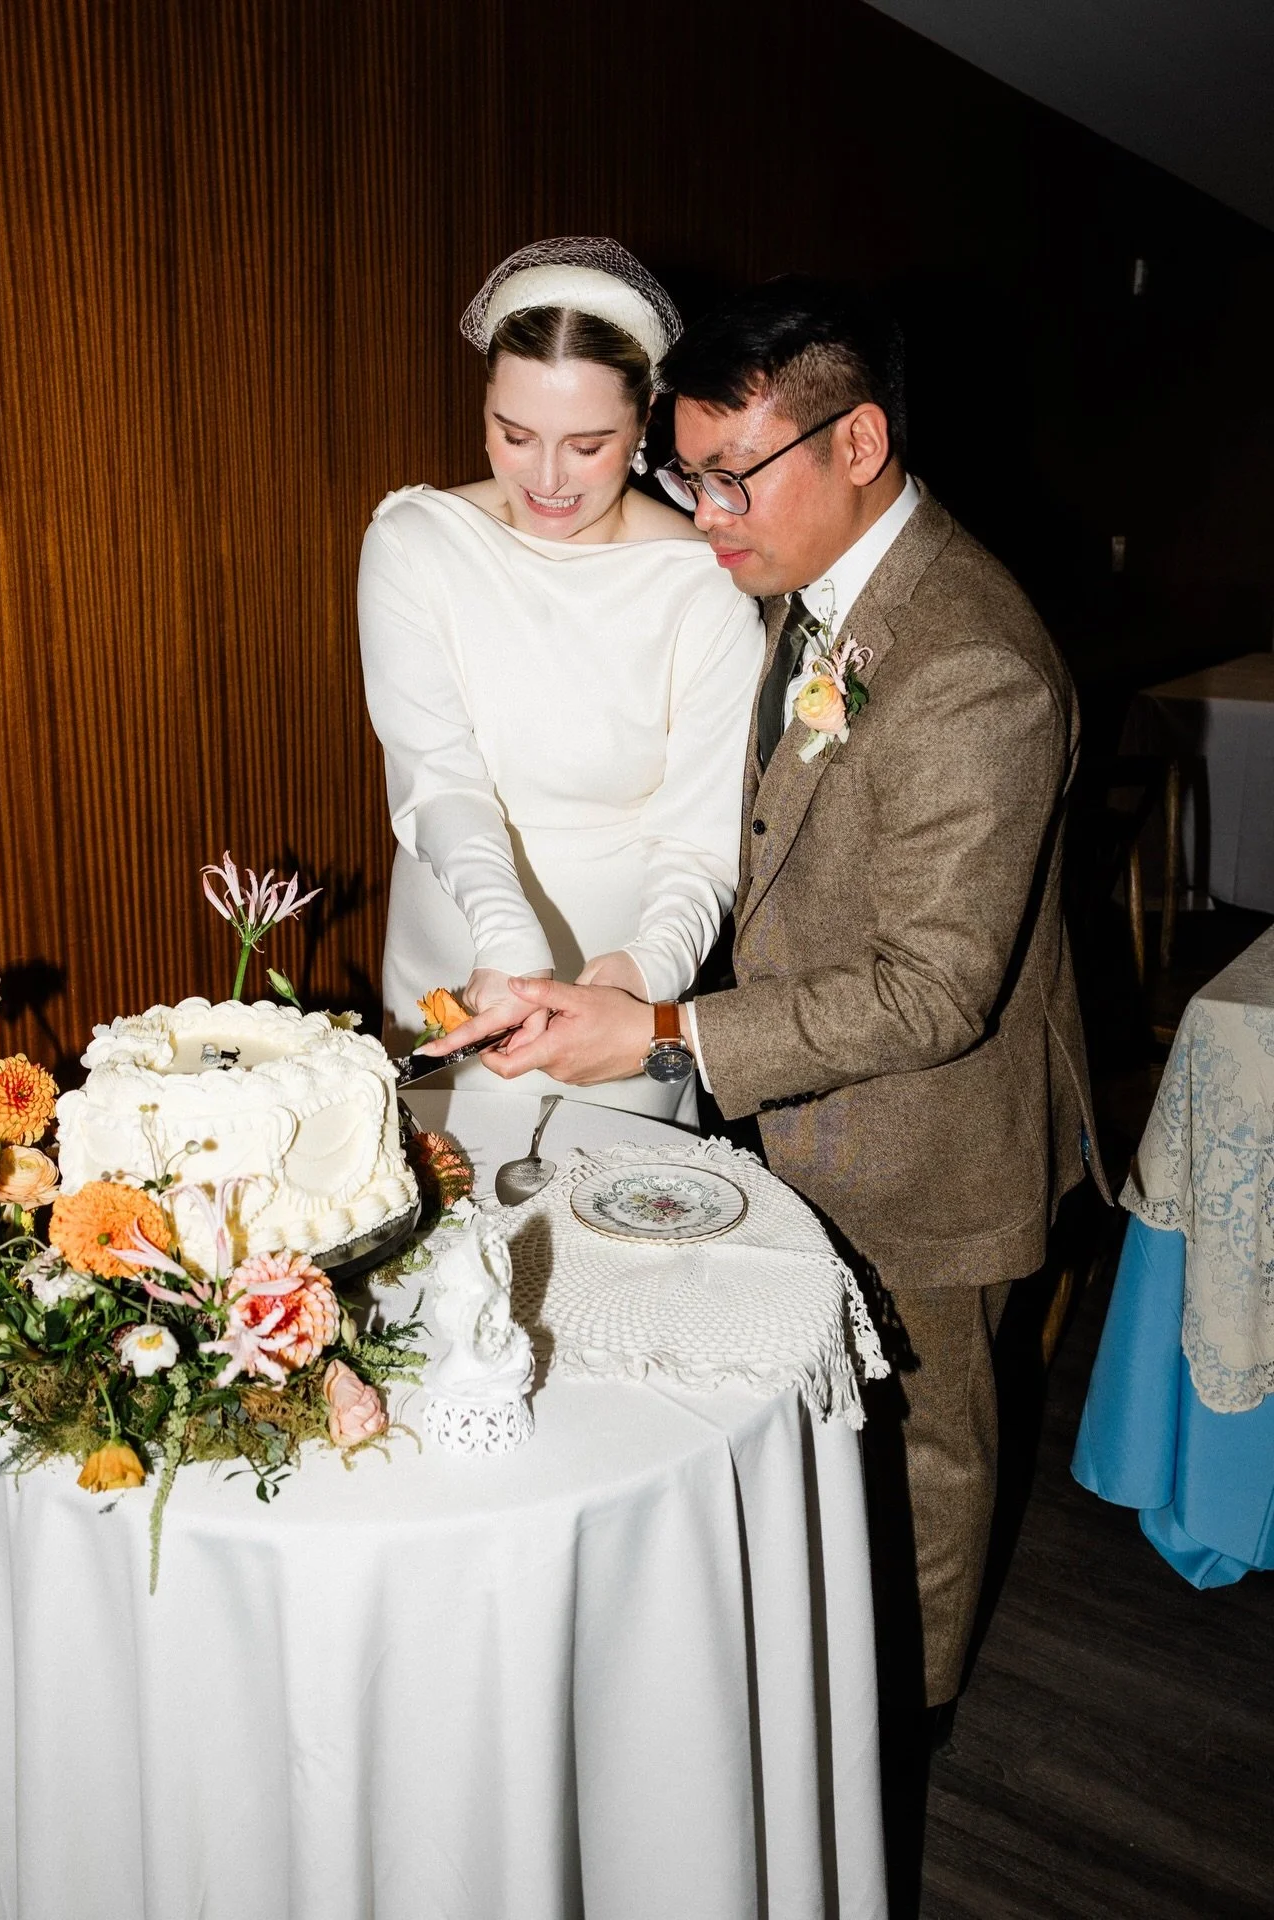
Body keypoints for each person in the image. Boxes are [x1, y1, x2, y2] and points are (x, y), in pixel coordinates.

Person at [429, 274, 1108, 1732]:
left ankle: (898, 1739)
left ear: (858, 442)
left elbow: (935, 992)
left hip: (931, 1145)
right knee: (811, 1432)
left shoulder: (974, 666)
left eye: (734, 475)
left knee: (922, 1459)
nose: (707, 514)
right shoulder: (810, 584)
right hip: (798, 1116)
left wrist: (666, 1033)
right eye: (689, 475)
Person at [359, 238, 763, 1120]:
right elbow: (437, 774)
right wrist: (505, 933)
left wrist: (646, 971)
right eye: (515, 435)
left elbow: (699, 837)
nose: (545, 478)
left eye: (586, 445)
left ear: (646, 417)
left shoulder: (704, 582)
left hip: (623, 978)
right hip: (457, 952)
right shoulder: (413, 544)